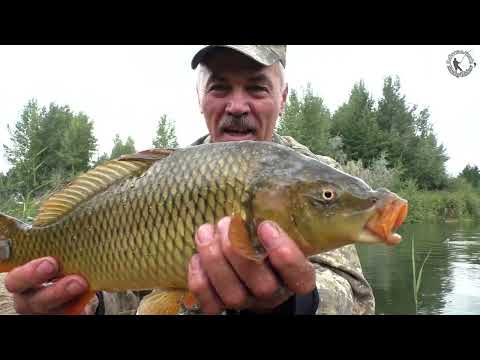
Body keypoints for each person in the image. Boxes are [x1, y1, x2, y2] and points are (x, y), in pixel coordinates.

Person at [4, 45, 375, 315]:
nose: (237, 106)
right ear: (199, 97)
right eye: (220, 88)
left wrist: (295, 301)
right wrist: (78, 302)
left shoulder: (312, 177)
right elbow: (129, 285)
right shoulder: (167, 178)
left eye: (257, 88)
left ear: (283, 97)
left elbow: (356, 298)